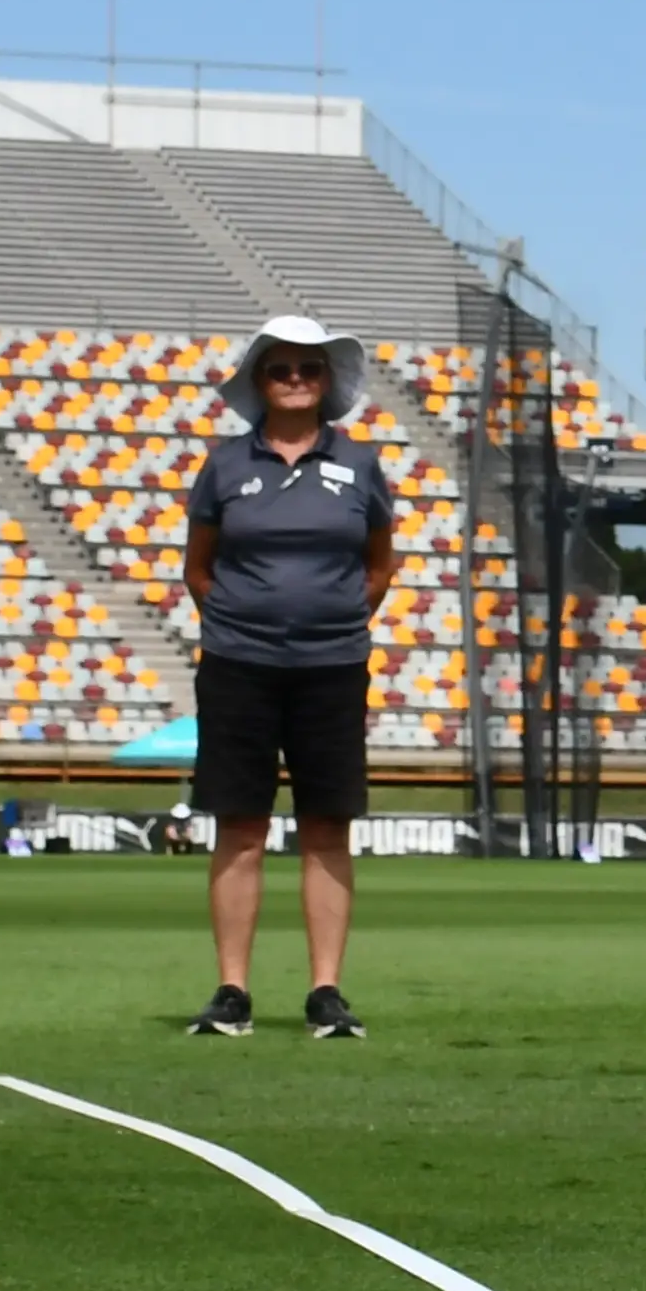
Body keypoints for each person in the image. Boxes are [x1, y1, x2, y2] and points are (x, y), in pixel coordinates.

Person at [179, 316, 395, 1039]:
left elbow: (378, 564)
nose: (297, 379)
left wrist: (329, 623)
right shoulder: (225, 465)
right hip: (239, 665)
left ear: (327, 381)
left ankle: (326, 991)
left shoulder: (361, 465)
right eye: (282, 369)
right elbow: (199, 568)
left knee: (326, 825)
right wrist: (247, 624)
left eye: (310, 368)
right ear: (259, 382)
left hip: (332, 667)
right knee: (240, 825)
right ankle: (232, 991)